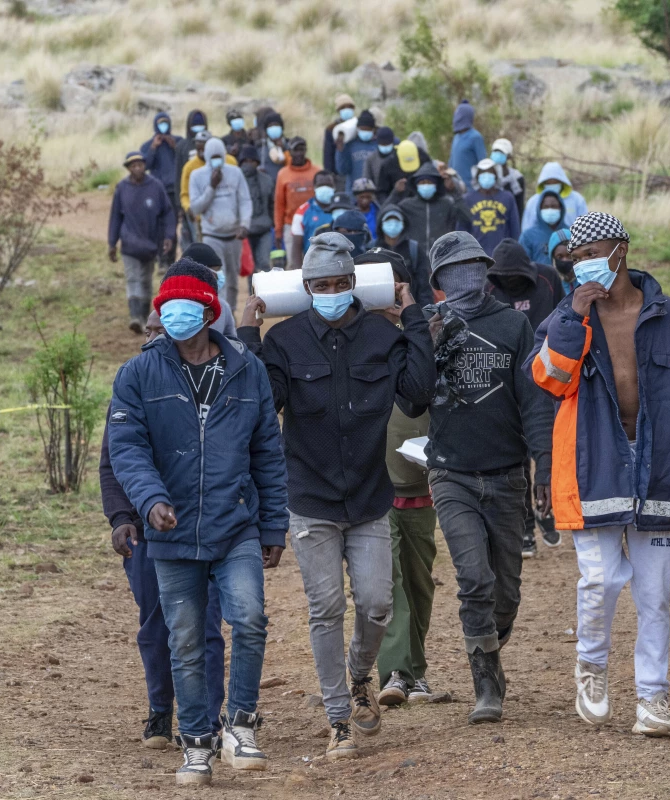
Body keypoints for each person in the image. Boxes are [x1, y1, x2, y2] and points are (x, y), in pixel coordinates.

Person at [524, 212, 670, 738]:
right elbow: (550, 380)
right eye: (577, 258)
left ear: (622, 252)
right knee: (601, 577)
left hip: (660, 465)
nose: (587, 265)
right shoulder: (569, 317)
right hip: (595, 464)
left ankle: (653, 699)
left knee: (655, 594)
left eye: (596, 254)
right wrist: (571, 316)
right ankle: (591, 665)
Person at [246, 233, 435, 760]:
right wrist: (249, 330)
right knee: (325, 608)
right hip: (309, 497)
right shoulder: (284, 342)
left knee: (376, 603)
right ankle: (338, 718)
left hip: (371, 497)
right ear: (306, 288)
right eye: (319, 285)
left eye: (338, 284)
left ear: (353, 284)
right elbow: (263, 404)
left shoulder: (382, 335)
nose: (330, 292)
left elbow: (418, 393)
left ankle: (358, 677)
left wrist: (412, 316)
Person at [108, 258, 289, 785]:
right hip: (170, 532)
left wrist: (273, 526)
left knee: (250, 619)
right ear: (160, 312)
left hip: (236, 526)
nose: (177, 316)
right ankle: (196, 744)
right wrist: (149, 500)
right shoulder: (138, 373)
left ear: (210, 311)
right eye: (168, 307)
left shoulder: (246, 370)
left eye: (188, 306)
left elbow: (267, 454)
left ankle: (241, 723)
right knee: (184, 641)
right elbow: (126, 448)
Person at [422, 232, 553, 725]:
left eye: (474, 267)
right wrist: (427, 345)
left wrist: (542, 460)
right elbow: (413, 398)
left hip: (507, 474)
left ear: (486, 273)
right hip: (450, 473)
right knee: (473, 578)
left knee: (506, 593)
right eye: (454, 271)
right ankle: (486, 683)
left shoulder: (515, 324)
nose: (466, 278)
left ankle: (489, 643)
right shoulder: (430, 326)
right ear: (439, 282)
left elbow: (534, 399)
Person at [99, 309, 227, 749]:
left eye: (160, 329)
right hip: (144, 534)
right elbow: (112, 462)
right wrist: (120, 519)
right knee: (156, 624)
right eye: (149, 328)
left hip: (202, 529)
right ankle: (160, 711)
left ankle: (209, 720)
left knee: (205, 624)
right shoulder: (131, 385)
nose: (151, 335)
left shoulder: (208, 385)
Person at [365, 249, 440, 708]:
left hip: (423, 478)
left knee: (419, 582)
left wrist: (411, 318)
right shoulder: (355, 340)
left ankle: (413, 670)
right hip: (375, 484)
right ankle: (394, 671)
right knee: (387, 582)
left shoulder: (427, 333)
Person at [486, 238, 564, 555]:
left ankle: (548, 508)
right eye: (505, 278)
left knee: (546, 448)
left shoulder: (548, 279)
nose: (512, 283)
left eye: (516, 277)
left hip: (547, 378)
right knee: (517, 459)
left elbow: (565, 317)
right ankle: (526, 525)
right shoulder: (490, 291)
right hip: (509, 383)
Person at [108, 152, 175, 334]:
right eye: (133, 165)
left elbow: (168, 213)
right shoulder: (122, 188)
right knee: (132, 278)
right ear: (128, 168)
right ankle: (135, 316)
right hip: (129, 244)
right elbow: (115, 217)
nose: (137, 168)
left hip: (150, 245)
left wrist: (168, 237)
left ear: (145, 166)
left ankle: (144, 316)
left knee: (145, 280)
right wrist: (112, 243)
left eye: (140, 164)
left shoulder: (156, 186)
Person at [189, 137, 251, 311]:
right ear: (207, 156)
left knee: (232, 279)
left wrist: (245, 224)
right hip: (211, 236)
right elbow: (196, 207)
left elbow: (245, 200)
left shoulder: (235, 173)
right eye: (213, 156)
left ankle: (230, 312)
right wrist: (211, 186)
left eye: (219, 155)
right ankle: (220, 314)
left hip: (234, 236)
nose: (217, 159)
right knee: (217, 278)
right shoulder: (197, 176)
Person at [389, 161, 471, 269]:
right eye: (422, 183)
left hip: (443, 261)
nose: (425, 185)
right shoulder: (407, 205)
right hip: (414, 263)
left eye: (429, 182)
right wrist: (396, 194)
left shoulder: (447, 203)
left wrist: (453, 192)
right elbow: (384, 214)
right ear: (416, 185)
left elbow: (467, 219)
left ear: (436, 185)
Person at [180, 132, 237, 250]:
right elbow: (185, 194)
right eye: (198, 146)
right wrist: (188, 207)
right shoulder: (190, 167)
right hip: (203, 220)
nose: (201, 150)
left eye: (204, 146)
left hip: (228, 218)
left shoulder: (230, 162)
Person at [367, 205, 431, 307]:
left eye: (396, 221)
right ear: (381, 224)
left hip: (409, 307)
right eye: (388, 221)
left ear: (403, 224)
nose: (392, 225)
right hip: (378, 308)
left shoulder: (413, 248)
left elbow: (423, 284)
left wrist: (426, 311)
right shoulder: (372, 248)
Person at [140, 112, 180, 270]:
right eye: (160, 123)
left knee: (172, 225)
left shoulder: (178, 142)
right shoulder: (147, 145)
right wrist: (153, 148)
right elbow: (145, 166)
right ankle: (160, 258)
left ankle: (170, 260)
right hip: (155, 191)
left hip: (173, 191)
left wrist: (175, 148)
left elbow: (183, 162)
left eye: (166, 123)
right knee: (157, 226)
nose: (164, 126)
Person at [274, 137, 321, 269]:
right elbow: (279, 204)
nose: (299, 153)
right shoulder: (283, 174)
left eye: (302, 149)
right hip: (290, 226)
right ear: (290, 152)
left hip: (313, 223)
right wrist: (278, 231)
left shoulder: (316, 172)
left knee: (315, 262)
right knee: (294, 264)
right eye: (296, 150)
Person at [460, 159, 521, 257]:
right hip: (475, 256)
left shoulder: (507, 197)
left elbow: (515, 229)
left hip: (502, 255)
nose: (486, 176)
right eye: (483, 173)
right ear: (477, 176)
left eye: (490, 172)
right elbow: (461, 229)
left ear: (496, 176)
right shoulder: (468, 199)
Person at [180, 242, 237, 339]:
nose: (220, 276)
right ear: (201, 274)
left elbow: (233, 343)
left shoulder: (223, 307)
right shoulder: (173, 309)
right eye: (216, 271)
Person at [238, 145, 276, 286]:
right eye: (245, 161)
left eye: (252, 160)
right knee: (250, 267)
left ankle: (268, 293)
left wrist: (273, 222)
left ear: (257, 162)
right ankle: (252, 294)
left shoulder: (266, 180)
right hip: (245, 231)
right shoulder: (236, 181)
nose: (249, 164)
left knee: (264, 263)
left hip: (264, 228)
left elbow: (272, 203)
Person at [174, 109, 209, 250]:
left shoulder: (211, 143)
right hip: (189, 199)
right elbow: (178, 176)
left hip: (209, 197)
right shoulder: (182, 146)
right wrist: (180, 205)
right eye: (195, 125)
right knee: (192, 236)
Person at [520, 163, 588, 231]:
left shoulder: (577, 200)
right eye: (548, 183)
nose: (552, 185)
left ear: (562, 181)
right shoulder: (533, 202)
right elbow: (527, 227)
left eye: (555, 182)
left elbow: (584, 226)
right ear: (543, 183)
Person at [289, 170, 339, 264]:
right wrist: (298, 272)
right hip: (312, 263)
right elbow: (296, 246)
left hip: (338, 262)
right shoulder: (302, 212)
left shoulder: (341, 209)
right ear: (314, 187)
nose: (325, 188)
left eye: (328, 185)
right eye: (321, 185)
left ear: (334, 187)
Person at [518, 189, 568, 264]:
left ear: (561, 208)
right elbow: (522, 264)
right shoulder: (528, 236)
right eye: (546, 207)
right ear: (539, 209)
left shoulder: (570, 233)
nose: (550, 210)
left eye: (554, 206)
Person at [376, 139, 430, 207]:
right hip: (397, 207)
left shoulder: (424, 160)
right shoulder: (388, 165)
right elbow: (381, 193)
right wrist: (395, 193)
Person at [336, 110, 378, 192]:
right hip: (353, 193)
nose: (365, 132)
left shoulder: (377, 145)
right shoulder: (350, 145)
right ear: (358, 129)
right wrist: (340, 152)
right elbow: (342, 170)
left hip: (373, 193)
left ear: (373, 130)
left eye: (368, 130)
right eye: (362, 129)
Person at [449, 100, 487, 186]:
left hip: (470, 187)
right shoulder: (456, 137)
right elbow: (452, 160)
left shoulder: (475, 137)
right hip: (456, 186)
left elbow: (482, 162)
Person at [323, 94, 357, 173]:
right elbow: (328, 154)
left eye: (349, 107)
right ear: (338, 110)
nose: (346, 109)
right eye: (343, 107)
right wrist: (329, 173)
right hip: (338, 172)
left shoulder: (358, 126)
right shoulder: (331, 129)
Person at [488, 138, 525, 210]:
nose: (498, 154)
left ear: (509, 156)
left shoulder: (517, 178)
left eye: (501, 152)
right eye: (495, 151)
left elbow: (519, 205)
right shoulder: (486, 176)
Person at [258, 110, 290, 187]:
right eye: (270, 126)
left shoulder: (290, 145)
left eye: (276, 125)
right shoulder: (261, 147)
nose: (274, 128)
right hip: (269, 187)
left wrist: (284, 149)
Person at [363, 126, 395, 193]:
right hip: (377, 196)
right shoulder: (371, 159)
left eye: (388, 144)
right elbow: (367, 181)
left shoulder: (398, 157)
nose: (385, 146)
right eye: (383, 144)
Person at [548, 229, 575, 297]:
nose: (565, 260)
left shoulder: (586, 281)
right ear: (553, 258)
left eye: (569, 256)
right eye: (560, 257)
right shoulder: (549, 285)